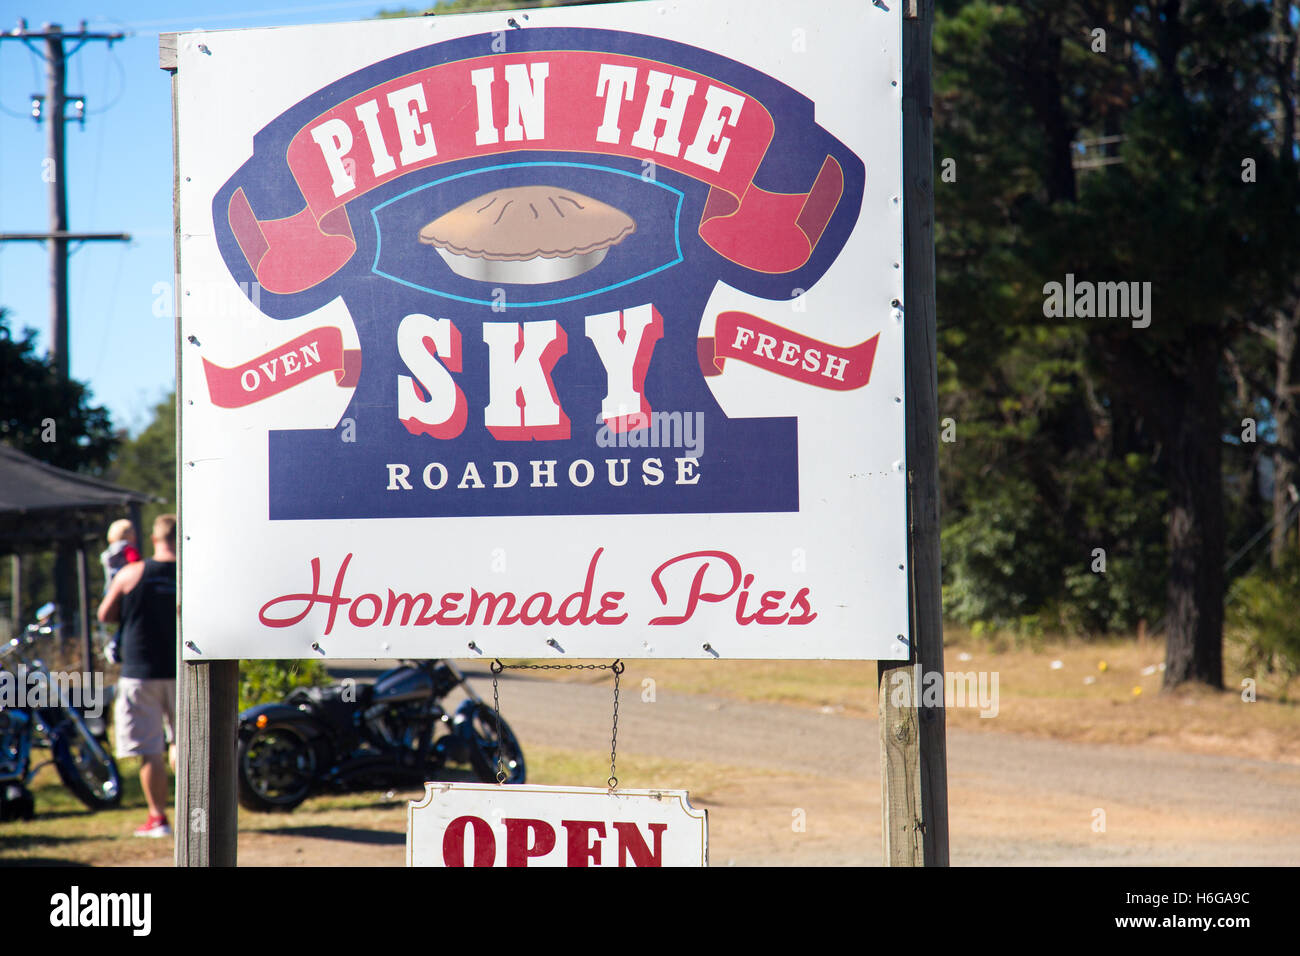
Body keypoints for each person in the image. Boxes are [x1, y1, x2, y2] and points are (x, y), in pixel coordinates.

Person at [97, 514, 178, 838]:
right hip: (183, 673)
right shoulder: (191, 575)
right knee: (182, 743)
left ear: (154, 538)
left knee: (150, 750)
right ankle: (194, 808)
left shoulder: (133, 573)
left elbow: (105, 614)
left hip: (140, 672)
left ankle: (158, 818)